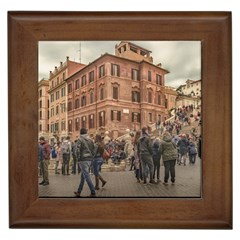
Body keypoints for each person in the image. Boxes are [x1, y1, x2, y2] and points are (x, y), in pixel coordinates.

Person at [74, 128, 96, 197]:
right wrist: (91, 157)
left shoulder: (80, 140)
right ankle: (79, 191)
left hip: (82, 159)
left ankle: (93, 192)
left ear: (80, 133)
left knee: (86, 176)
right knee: (83, 176)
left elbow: (76, 150)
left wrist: (78, 158)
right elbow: (94, 149)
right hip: (89, 159)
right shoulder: (90, 140)